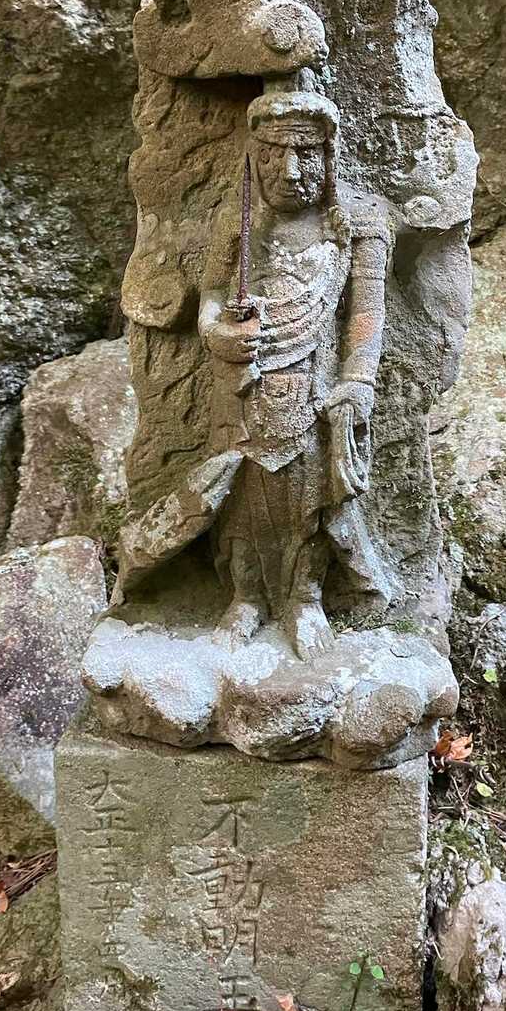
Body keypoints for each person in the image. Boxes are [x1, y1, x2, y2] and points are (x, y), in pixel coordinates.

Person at [198, 83, 393, 658]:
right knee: (240, 489)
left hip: (315, 379)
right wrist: (218, 333)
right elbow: (211, 296)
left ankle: (306, 598)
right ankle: (247, 596)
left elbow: (367, 314)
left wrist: (357, 381)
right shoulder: (236, 224)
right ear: (254, 157)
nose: (289, 170)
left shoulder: (358, 225)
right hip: (244, 381)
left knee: (310, 493)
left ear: (329, 157)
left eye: (306, 154)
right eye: (273, 154)